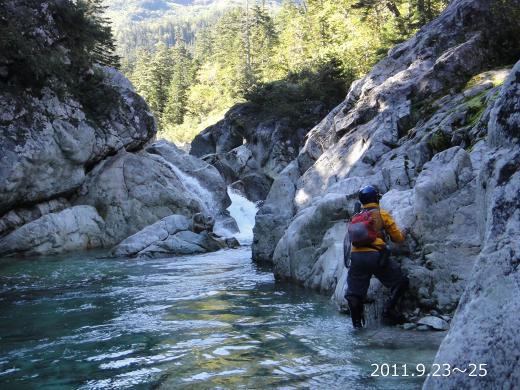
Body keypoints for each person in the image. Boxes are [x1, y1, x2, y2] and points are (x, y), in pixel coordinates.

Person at [345, 185, 409, 329]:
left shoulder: (355, 217)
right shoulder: (381, 214)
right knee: (401, 281)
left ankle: (356, 326)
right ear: (376, 198)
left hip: (356, 257)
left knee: (354, 294)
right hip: (376, 256)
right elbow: (397, 238)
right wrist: (404, 233)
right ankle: (389, 309)